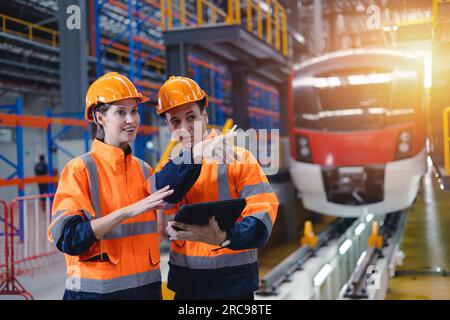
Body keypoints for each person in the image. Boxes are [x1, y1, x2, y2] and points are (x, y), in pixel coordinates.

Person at [47, 72, 233, 300]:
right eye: (121, 112)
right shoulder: (80, 169)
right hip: (96, 294)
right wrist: (127, 211)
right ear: (100, 118)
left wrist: (195, 153)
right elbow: (68, 238)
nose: (131, 120)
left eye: (134, 111)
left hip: (146, 291)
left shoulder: (144, 170)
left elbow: (171, 188)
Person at [158, 76, 279, 300]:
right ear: (168, 126)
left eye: (191, 117)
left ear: (204, 116)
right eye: (175, 122)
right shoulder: (170, 168)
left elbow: (263, 217)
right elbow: (162, 200)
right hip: (187, 289)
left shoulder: (240, 159)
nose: (184, 129)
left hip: (234, 289)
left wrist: (224, 237)